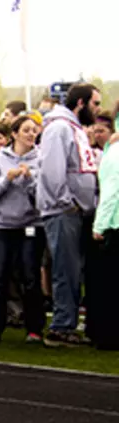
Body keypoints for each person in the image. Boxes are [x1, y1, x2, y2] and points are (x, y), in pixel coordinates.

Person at [37, 83, 102, 346]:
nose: (98, 109)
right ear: (81, 103)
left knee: (73, 269)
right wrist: (67, 202)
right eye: (95, 104)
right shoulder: (59, 128)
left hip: (76, 210)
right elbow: (53, 170)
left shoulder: (71, 127)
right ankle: (61, 326)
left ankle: (68, 321)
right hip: (64, 211)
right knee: (65, 269)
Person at [0, 113, 45, 344]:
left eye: (34, 130)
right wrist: (6, 180)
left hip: (30, 225)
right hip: (0, 227)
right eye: (26, 130)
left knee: (30, 277)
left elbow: (42, 198)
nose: (31, 134)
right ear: (14, 134)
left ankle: (34, 329)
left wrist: (29, 180)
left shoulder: (41, 158)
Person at [90, 128, 119, 349]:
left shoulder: (115, 153)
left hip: (114, 225)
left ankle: (107, 335)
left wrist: (99, 224)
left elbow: (112, 191)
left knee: (109, 283)